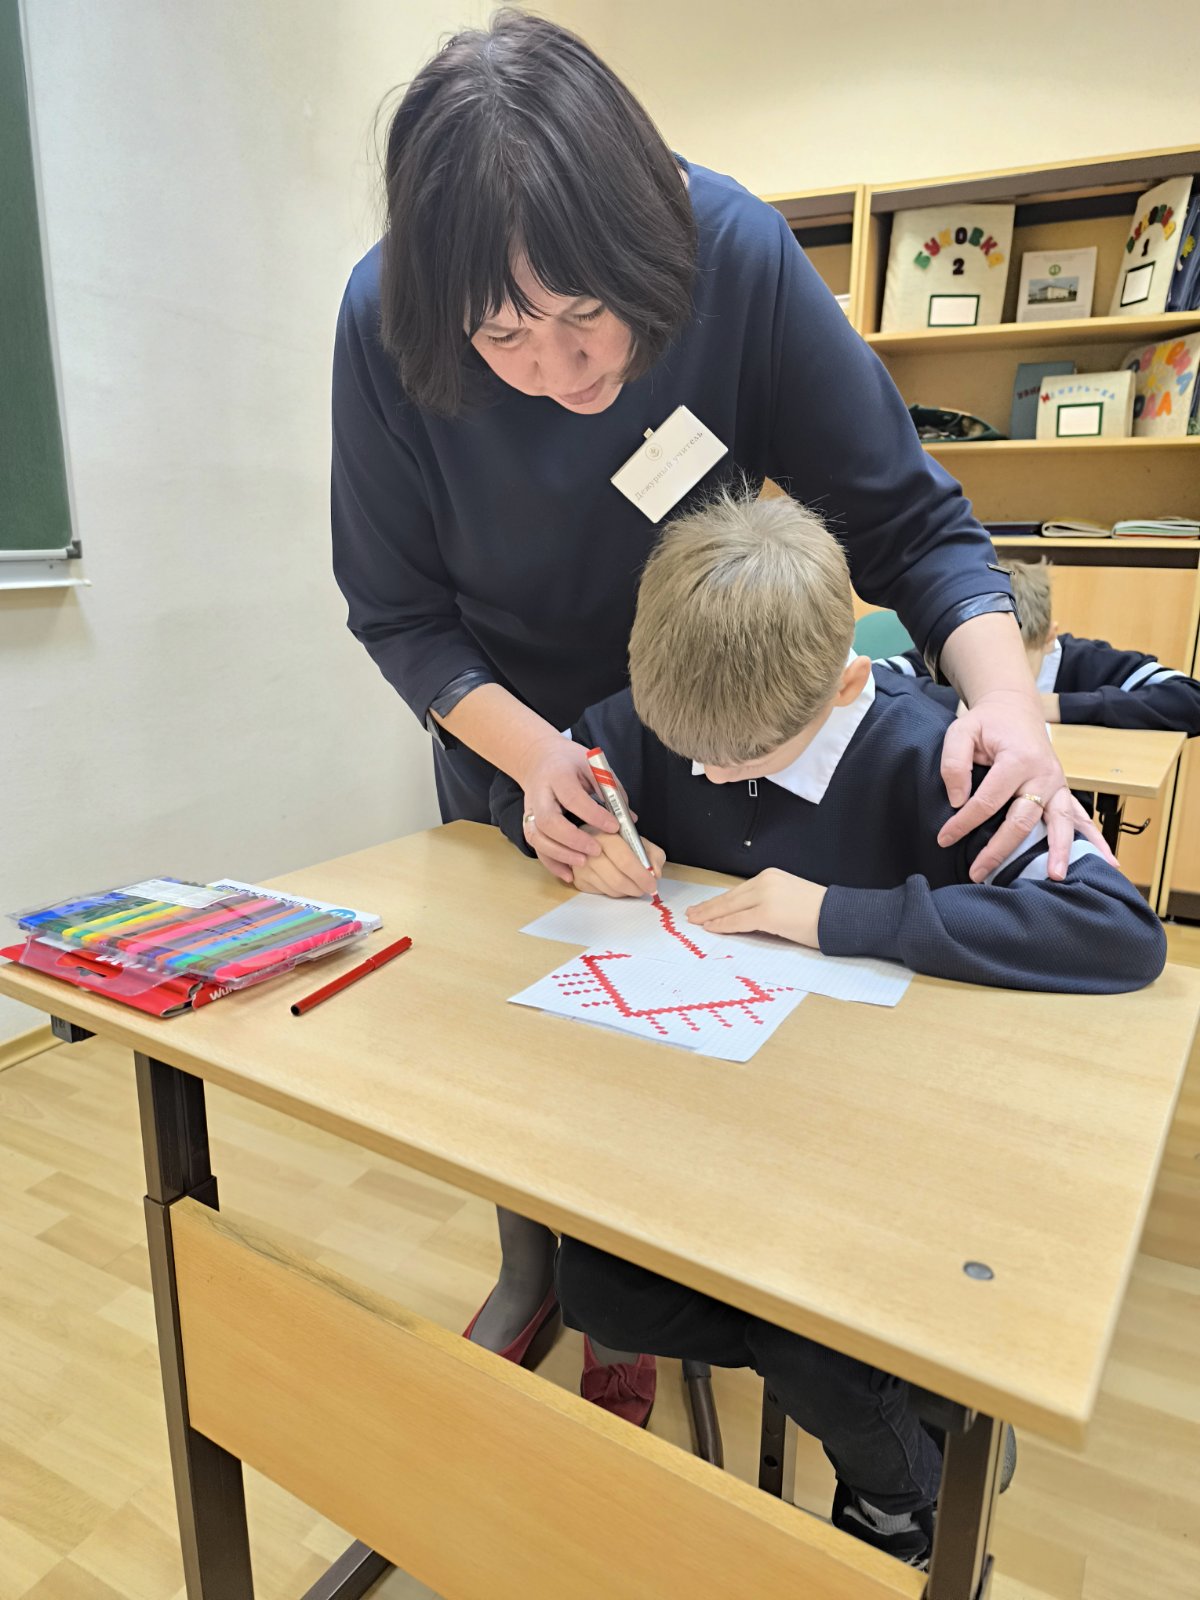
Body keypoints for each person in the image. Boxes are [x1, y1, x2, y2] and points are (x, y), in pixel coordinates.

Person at [330, 11, 1109, 1414]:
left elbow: (914, 525)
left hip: (722, 706)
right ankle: (567, 1281)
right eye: (506, 337)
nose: (563, 369)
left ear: (648, 248)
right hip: (521, 729)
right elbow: (398, 614)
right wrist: (538, 762)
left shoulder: (733, 252)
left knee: (706, 1026)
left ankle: (733, 1274)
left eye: (588, 314)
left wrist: (1007, 703)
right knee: (552, 1029)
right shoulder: (384, 317)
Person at [490, 490, 1165, 1568]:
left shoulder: (940, 750)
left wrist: (834, 915)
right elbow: (529, 788)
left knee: (814, 1333)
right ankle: (904, 1385)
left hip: (877, 1152)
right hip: (713, 1117)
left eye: (743, 759)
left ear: (846, 683)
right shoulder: (667, 709)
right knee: (602, 1286)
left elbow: (1117, 931)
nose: (708, 776)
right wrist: (567, 837)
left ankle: (906, 1486)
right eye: (684, 751)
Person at [876, 559, 1200, 734]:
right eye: (986, 660)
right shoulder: (959, 650)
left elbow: (1190, 700)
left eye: (1014, 660)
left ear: (1049, 638)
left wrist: (1057, 706)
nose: (997, 674)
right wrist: (964, 702)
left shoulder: (1087, 661)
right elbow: (869, 679)